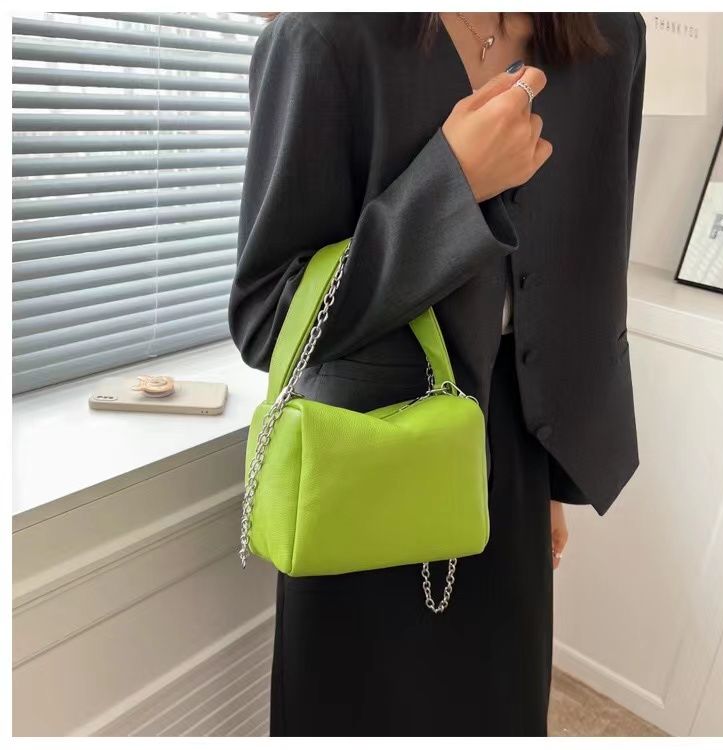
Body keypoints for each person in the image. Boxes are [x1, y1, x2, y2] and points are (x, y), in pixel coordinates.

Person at [228, 11, 645, 737]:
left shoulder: (609, 39)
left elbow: (586, 266)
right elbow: (270, 315)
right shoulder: (327, 38)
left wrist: (551, 473)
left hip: (515, 459)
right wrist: (451, 186)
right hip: (362, 461)